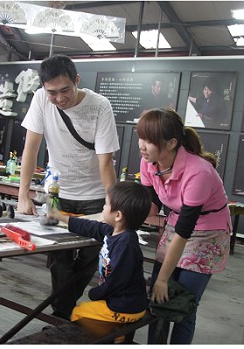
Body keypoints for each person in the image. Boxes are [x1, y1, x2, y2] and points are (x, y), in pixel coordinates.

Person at [17, 54, 119, 320]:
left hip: (94, 196)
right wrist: (23, 194)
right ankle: (62, 317)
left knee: (89, 258)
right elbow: (31, 148)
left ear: (77, 80)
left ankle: (61, 313)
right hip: (57, 194)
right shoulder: (40, 99)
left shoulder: (100, 105)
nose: (59, 98)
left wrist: (112, 203)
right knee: (59, 260)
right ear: (43, 88)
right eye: (52, 93)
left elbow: (105, 160)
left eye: (65, 90)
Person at [136, 108, 231, 344]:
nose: (142, 146)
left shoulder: (198, 172)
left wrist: (162, 279)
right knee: (157, 301)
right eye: (141, 137)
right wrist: (124, 213)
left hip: (208, 232)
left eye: (149, 140)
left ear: (171, 143)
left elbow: (184, 232)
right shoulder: (149, 163)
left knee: (182, 305)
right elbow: (152, 206)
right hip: (176, 224)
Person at [49, 182, 151, 338]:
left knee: (79, 312)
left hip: (125, 307)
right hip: (120, 302)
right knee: (85, 310)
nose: (103, 207)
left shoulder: (126, 245)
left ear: (118, 215)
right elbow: (91, 227)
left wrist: (96, 293)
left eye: (106, 204)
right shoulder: (115, 232)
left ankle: (114, 339)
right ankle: (113, 336)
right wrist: (61, 217)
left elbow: (117, 280)